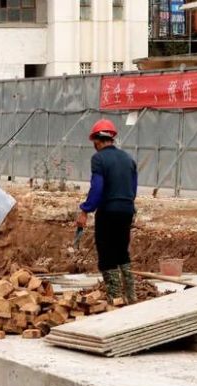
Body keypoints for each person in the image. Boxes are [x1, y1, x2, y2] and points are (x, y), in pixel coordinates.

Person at [76, 119, 138, 304]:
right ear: (112, 138)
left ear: (97, 140)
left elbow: (97, 188)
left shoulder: (99, 159)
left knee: (106, 253)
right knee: (122, 252)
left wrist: (85, 210)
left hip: (108, 211)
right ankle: (131, 296)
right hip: (126, 210)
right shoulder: (128, 159)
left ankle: (115, 298)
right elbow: (132, 189)